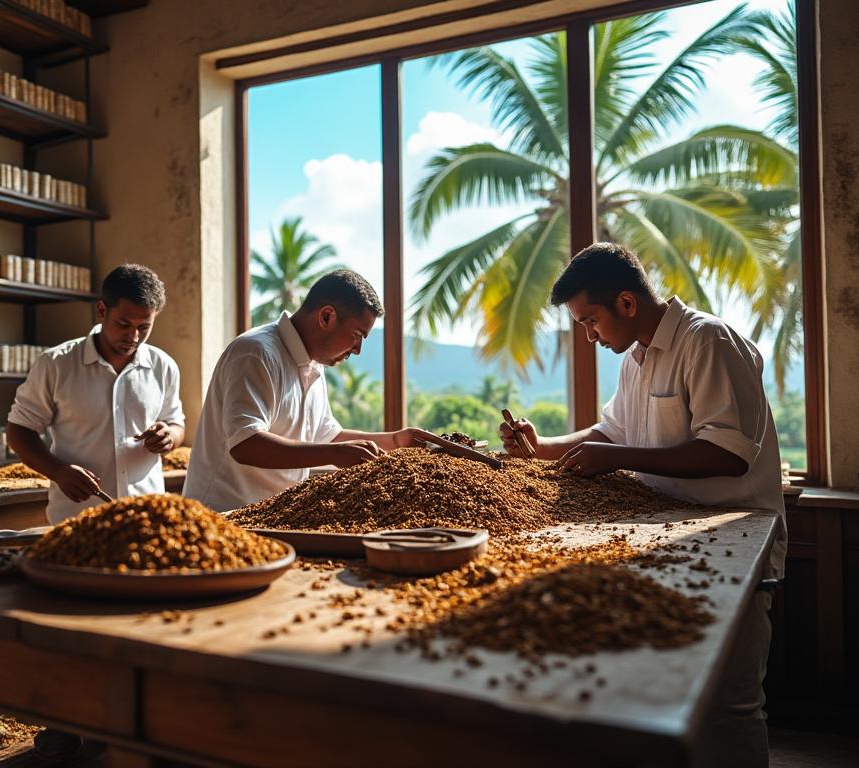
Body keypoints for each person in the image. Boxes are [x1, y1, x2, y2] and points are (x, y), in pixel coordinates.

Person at [500, 242, 784, 767]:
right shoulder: (635, 357)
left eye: (591, 321)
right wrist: (542, 449)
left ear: (626, 304)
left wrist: (612, 457)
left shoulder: (708, 341)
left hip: (732, 543)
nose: (589, 335)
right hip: (663, 538)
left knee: (731, 704)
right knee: (664, 695)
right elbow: (612, 431)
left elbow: (728, 453)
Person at [185, 269, 439, 512]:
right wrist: (335, 454)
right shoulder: (256, 353)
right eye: (357, 335)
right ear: (326, 316)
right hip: (223, 517)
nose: (358, 349)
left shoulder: (314, 364)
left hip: (269, 518)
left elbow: (327, 436)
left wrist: (398, 440)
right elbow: (245, 443)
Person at [6, 263, 185, 525]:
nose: (133, 336)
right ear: (102, 310)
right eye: (123, 324)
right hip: (78, 520)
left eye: (144, 327)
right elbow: (19, 431)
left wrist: (169, 436)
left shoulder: (163, 366)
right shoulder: (56, 364)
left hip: (146, 518)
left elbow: (176, 422)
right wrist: (58, 471)